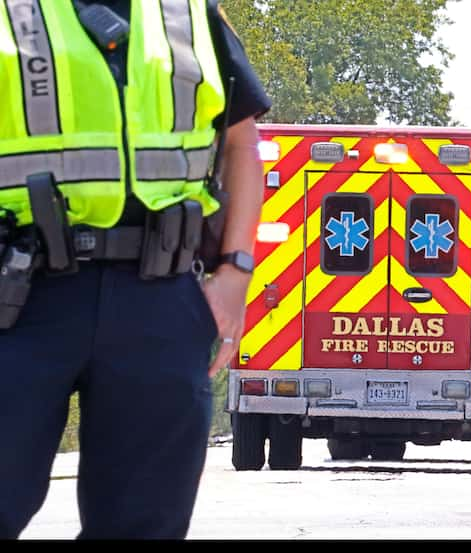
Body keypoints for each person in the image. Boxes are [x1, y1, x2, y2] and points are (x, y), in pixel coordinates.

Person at [0, 1, 270, 539]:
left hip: (160, 297)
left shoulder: (187, 13)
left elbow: (240, 145)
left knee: (144, 525)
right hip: (17, 295)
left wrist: (236, 274)